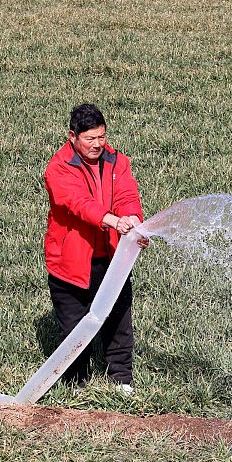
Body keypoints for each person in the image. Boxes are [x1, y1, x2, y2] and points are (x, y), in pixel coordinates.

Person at [43, 103, 150, 391]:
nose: (97, 144)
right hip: (72, 264)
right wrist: (112, 221)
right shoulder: (58, 168)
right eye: (90, 139)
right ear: (72, 136)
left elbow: (127, 194)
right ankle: (75, 383)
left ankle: (121, 380)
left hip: (113, 259)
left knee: (119, 319)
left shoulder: (118, 162)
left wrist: (132, 218)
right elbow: (78, 204)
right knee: (74, 328)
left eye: (101, 137)